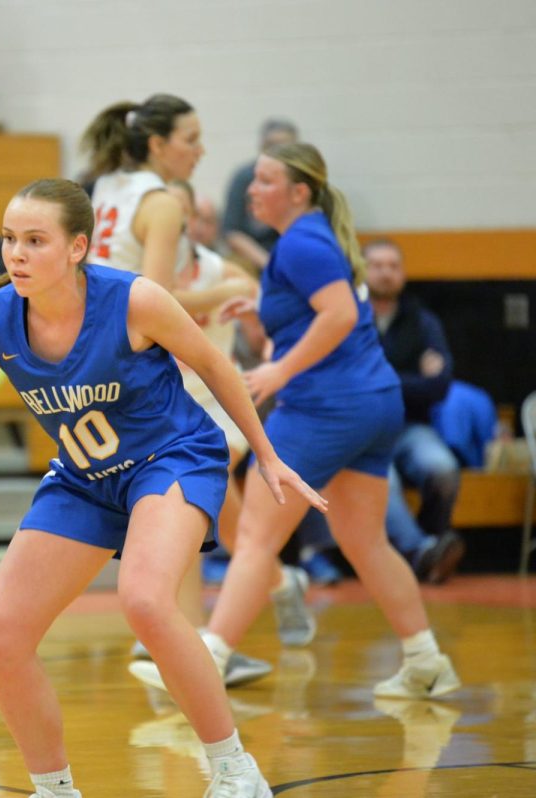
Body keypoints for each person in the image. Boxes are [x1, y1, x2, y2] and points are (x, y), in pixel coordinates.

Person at [0, 177, 327, 798]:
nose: (15, 254)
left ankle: (236, 770)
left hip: (171, 459)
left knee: (147, 601)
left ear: (77, 248)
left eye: (34, 241)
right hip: (84, 479)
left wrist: (267, 455)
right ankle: (54, 789)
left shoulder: (134, 300)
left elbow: (214, 365)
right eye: (9, 240)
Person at [130, 142, 461, 702]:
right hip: (372, 403)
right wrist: (258, 309)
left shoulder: (304, 241)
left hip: (325, 407)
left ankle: (208, 660)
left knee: (257, 536)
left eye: (263, 181)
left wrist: (280, 368)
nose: (251, 191)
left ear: (298, 191)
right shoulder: (304, 241)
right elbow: (317, 308)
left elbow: (339, 314)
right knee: (364, 540)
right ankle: (427, 662)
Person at [83, 97, 314, 653]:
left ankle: (185, 641)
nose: (201, 150)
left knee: (181, 501)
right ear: (158, 145)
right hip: (146, 368)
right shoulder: (158, 203)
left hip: (134, 364)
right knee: (192, 508)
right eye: (191, 138)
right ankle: (265, 590)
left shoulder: (107, 185)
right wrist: (226, 293)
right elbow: (155, 303)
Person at [365, 238, 466, 583]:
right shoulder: (348, 318)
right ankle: (420, 552)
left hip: (411, 426)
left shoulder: (423, 321)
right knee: (383, 482)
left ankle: (433, 545)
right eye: (377, 265)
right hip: (363, 433)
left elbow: (440, 386)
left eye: (393, 266)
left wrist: (382, 378)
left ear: (403, 273)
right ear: (363, 271)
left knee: (443, 468)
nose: (386, 273)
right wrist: (412, 378)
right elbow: (351, 384)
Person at [221, 117, 298, 272]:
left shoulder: (302, 181)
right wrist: (268, 263)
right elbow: (232, 232)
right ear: (262, 148)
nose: (279, 152)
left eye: (286, 147)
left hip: (292, 252)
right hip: (254, 257)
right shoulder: (244, 177)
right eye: (273, 146)